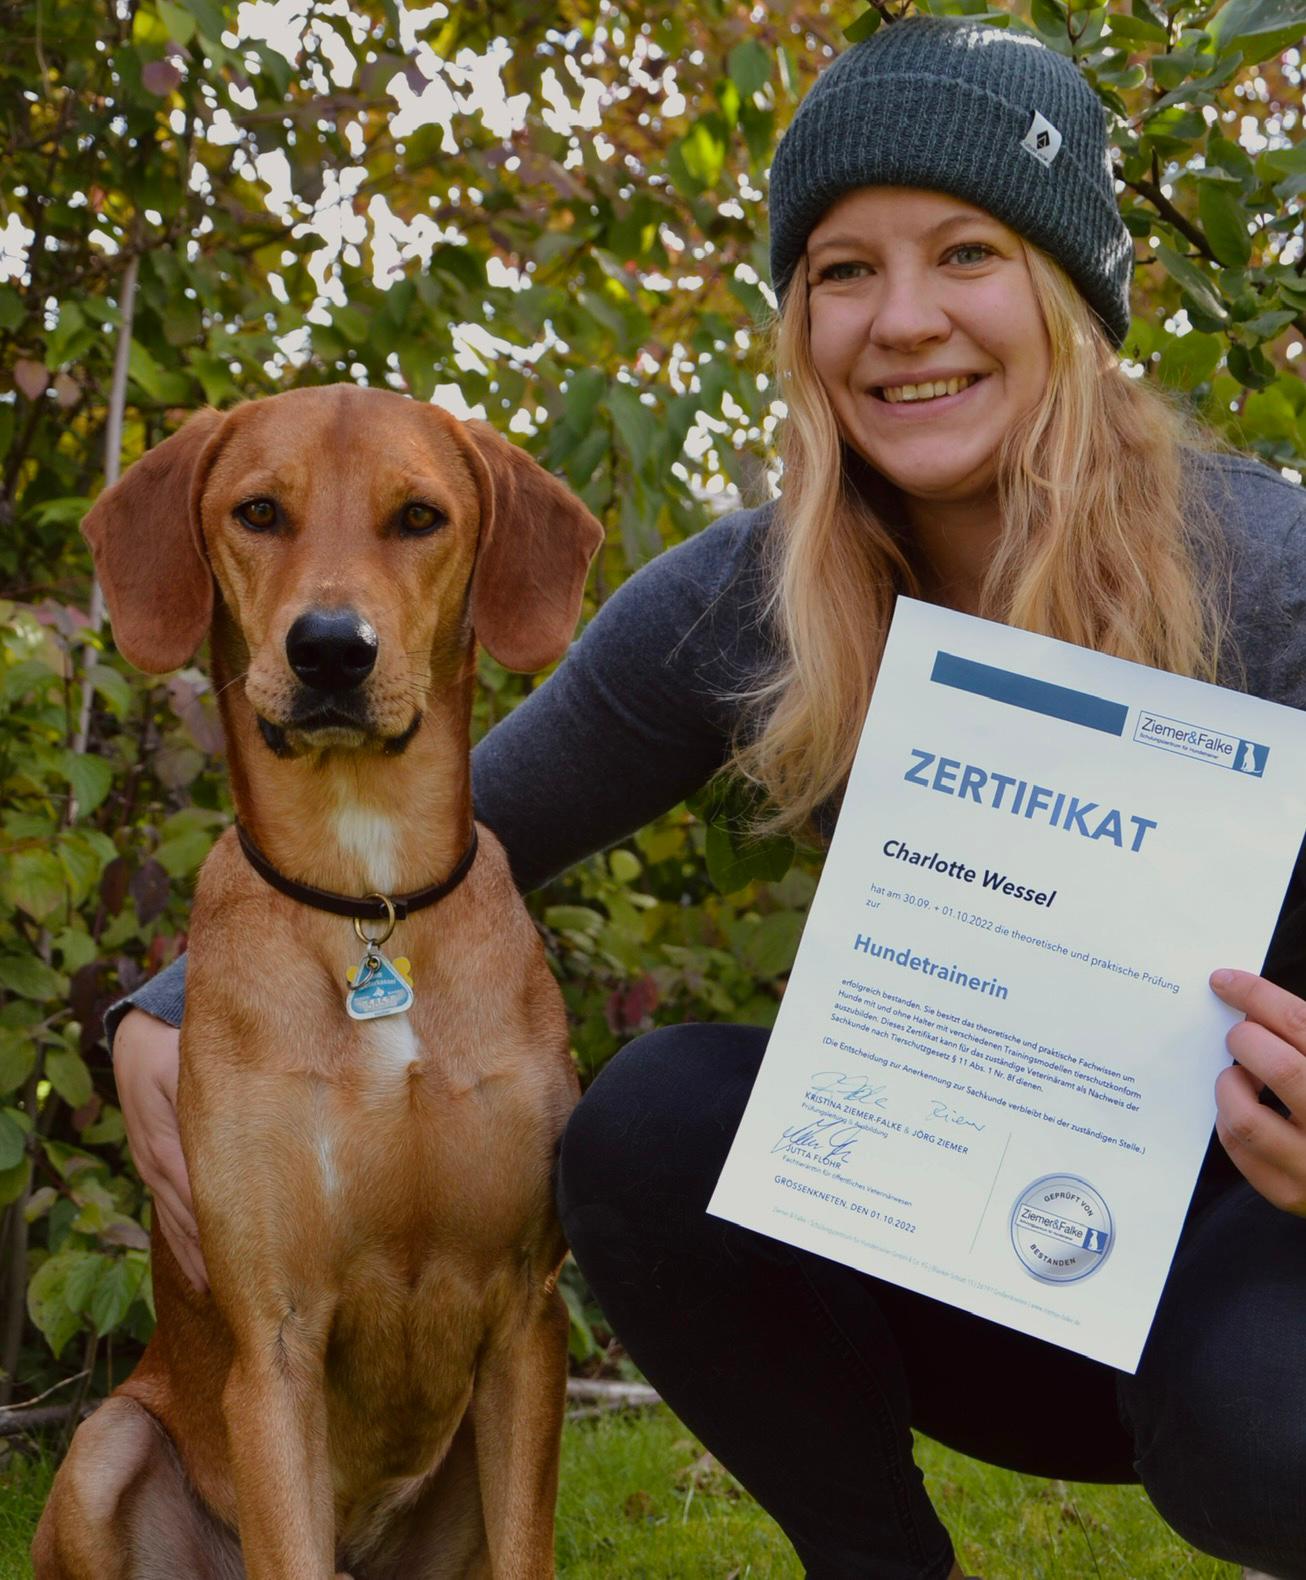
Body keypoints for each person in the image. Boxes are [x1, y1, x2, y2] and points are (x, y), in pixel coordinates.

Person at [107, 17, 1306, 1580]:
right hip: (985, 1256)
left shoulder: (1271, 572)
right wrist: (161, 1007)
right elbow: (468, 833)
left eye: (965, 254)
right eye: (842, 271)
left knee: (1269, 1430)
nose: (902, 320)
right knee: (651, 1121)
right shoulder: (744, 599)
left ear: (1068, 297)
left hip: (1250, 1259)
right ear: (799, 322)